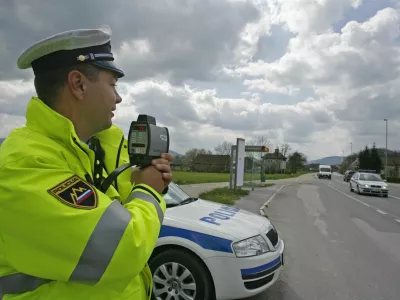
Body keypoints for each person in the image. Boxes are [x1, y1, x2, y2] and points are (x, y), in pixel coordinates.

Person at [0, 25, 173, 300]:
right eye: (112, 84)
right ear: (78, 84)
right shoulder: (26, 164)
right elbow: (124, 249)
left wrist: (145, 179)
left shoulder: (86, 151)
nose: (118, 97)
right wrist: (148, 191)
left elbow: (115, 216)